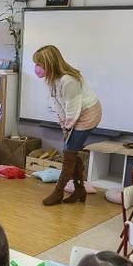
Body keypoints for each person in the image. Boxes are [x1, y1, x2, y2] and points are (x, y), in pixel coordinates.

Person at [33, 45, 102, 205]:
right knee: (71, 150)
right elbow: (57, 103)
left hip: (88, 113)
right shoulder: (51, 79)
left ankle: (58, 192)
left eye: (39, 64)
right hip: (75, 113)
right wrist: (63, 125)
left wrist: (69, 125)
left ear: (49, 64)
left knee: (68, 152)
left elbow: (73, 105)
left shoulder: (68, 80)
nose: (36, 68)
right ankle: (79, 189)